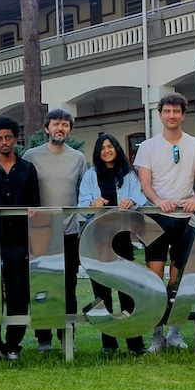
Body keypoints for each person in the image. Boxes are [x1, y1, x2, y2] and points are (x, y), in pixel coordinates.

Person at [133, 92, 195, 352]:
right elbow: (145, 184)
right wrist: (158, 200)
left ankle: (175, 332)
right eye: (167, 111)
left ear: (183, 115)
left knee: (180, 279)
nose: (172, 115)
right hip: (157, 218)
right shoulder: (148, 147)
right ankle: (157, 335)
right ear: (160, 114)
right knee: (155, 278)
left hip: (187, 219)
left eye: (176, 111)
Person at [0, 116, 41, 361]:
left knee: (19, 294)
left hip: (20, 243)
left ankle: (13, 344)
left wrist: (30, 245)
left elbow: (35, 207)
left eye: (8, 137)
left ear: (15, 138)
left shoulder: (28, 170)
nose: (4, 142)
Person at [78, 133, 150, 355]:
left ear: (117, 149)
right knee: (102, 292)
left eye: (111, 146)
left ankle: (135, 343)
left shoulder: (127, 175)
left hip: (121, 238)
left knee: (127, 291)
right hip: (96, 239)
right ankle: (108, 343)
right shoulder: (91, 175)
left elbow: (141, 197)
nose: (107, 150)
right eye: (103, 148)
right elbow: (81, 204)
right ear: (98, 153)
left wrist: (132, 201)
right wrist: (92, 202)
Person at [22, 109, 87, 353]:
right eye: (56, 124)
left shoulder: (78, 158)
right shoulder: (31, 156)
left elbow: (83, 192)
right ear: (46, 128)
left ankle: (67, 336)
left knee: (68, 286)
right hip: (40, 231)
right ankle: (44, 339)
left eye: (65, 125)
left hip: (69, 232)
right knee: (42, 287)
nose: (60, 128)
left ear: (69, 129)